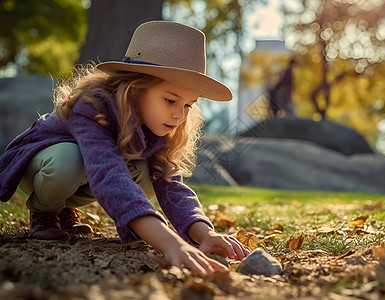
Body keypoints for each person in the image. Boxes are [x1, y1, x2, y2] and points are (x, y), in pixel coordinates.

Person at [0, 21, 249, 276]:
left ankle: (65, 209)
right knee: (69, 159)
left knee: (155, 175)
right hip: (43, 166)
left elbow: (171, 186)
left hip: (86, 177)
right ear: (135, 88)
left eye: (188, 105)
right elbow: (109, 174)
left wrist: (204, 233)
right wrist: (169, 242)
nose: (179, 115)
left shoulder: (159, 127)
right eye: (171, 100)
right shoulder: (91, 106)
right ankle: (45, 211)